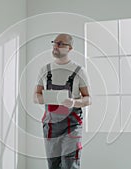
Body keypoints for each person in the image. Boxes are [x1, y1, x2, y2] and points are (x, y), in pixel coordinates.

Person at [33, 33, 92, 169]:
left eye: (60, 44)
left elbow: (88, 98)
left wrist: (74, 102)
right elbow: (35, 97)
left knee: (70, 164)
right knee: (53, 165)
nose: (55, 46)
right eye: (54, 43)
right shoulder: (45, 70)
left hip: (72, 125)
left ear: (69, 48)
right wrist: (48, 98)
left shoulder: (79, 71)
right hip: (51, 126)